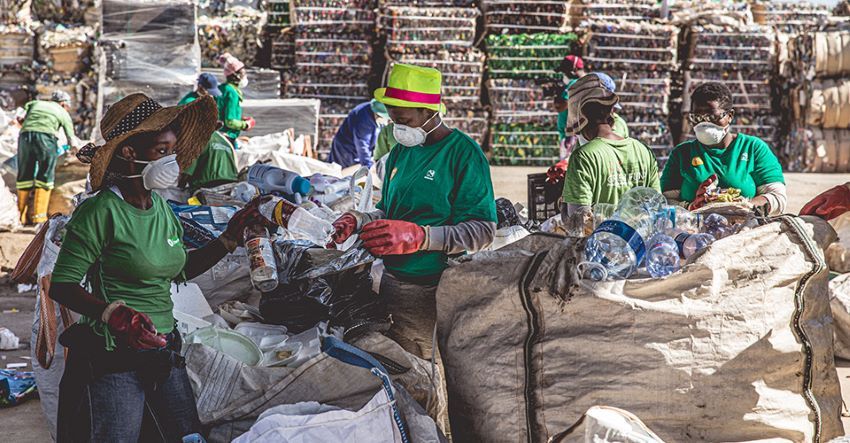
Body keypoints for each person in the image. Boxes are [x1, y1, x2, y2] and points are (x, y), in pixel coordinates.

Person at [49, 93, 272, 441]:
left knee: (186, 435)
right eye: (161, 152)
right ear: (129, 152)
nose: (172, 161)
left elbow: (180, 269)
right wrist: (115, 315)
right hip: (114, 355)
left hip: (164, 346)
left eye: (172, 151)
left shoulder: (162, 209)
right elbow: (62, 285)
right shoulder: (100, 212)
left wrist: (230, 237)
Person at [329, 63, 497, 360]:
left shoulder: (463, 154)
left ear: (429, 112)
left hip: (436, 291)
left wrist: (422, 237)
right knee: (405, 367)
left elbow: (483, 230)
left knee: (431, 367)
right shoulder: (401, 151)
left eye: (404, 119)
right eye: (393, 117)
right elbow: (388, 211)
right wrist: (358, 220)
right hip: (393, 283)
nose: (398, 127)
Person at [660, 82, 786, 214]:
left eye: (712, 116)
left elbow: (778, 198)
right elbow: (665, 201)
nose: (704, 123)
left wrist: (744, 206)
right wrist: (691, 207)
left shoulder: (753, 148)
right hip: (694, 230)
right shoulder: (682, 154)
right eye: (697, 117)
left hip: (743, 229)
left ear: (730, 116)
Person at [560, 73, 660, 234]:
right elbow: (656, 207)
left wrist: (563, 207)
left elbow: (578, 223)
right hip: (640, 246)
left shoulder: (583, 156)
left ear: (580, 116)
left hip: (600, 251)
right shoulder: (643, 150)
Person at [16, 90, 78, 225]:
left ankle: (19, 217)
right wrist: (77, 151)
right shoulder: (62, 112)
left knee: (24, 175)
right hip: (45, 139)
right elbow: (72, 139)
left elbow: (20, 118)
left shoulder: (35, 103)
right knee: (45, 176)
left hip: (25, 137)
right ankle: (39, 218)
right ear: (63, 104)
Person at [328, 99, 390, 169]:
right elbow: (362, 146)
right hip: (347, 151)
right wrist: (368, 167)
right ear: (378, 115)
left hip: (357, 149)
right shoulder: (363, 121)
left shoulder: (374, 108)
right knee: (342, 175)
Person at [217, 52, 255, 148]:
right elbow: (230, 121)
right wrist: (246, 124)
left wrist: (239, 118)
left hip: (218, 135)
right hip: (227, 138)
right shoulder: (232, 93)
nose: (244, 76)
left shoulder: (222, 88)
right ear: (235, 75)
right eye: (242, 73)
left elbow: (222, 112)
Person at [553, 55, 586, 160]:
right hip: (580, 134)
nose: (565, 75)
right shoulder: (588, 82)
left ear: (574, 70)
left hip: (571, 136)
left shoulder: (574, 83)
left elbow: (561, 106)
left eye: (565, 71)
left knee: (567, 168)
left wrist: (557, 95)